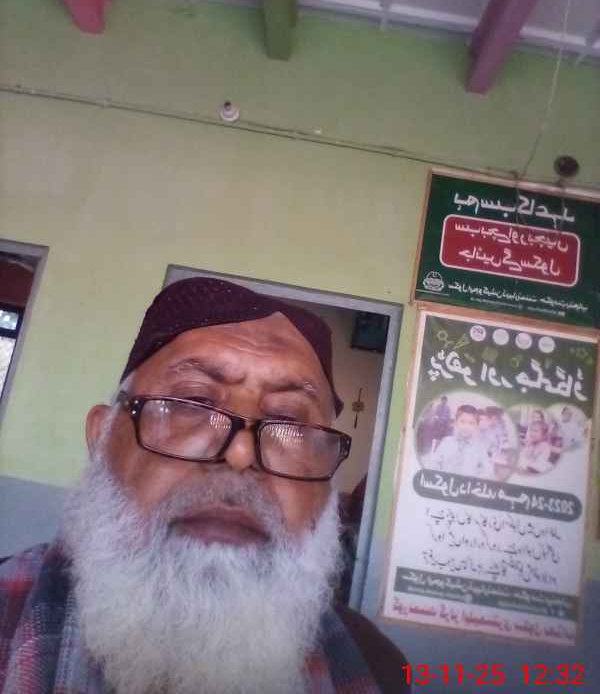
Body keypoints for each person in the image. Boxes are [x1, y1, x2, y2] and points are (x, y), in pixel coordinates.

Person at [0, 277, 408, 694]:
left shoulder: (376, 667)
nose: (241, 455)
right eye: (192, 402)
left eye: (288, 420)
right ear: (101, 438)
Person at [429, 404, 493, 479]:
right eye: (462, 422)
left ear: (476, 426)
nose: (466, 427)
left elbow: (488, 471)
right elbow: (434, 464)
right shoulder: (446, 442)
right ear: (455, 423)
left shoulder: (480, 448)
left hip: (467, 483)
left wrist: (475, 478)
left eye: (471, 423)